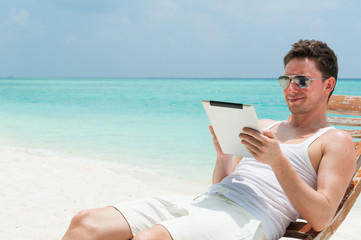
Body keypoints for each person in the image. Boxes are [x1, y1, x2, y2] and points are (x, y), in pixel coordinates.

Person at [62, 39, 356, 240]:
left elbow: (321, 218)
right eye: (286, 79)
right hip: (207, 202)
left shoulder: (334, 140)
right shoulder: (266, 126)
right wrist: (223, 155)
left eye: (302, 80)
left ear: (327, 85)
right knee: (86, 223)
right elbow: (221, 183)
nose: (291, 87)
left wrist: (279, 162)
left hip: (251, 219)